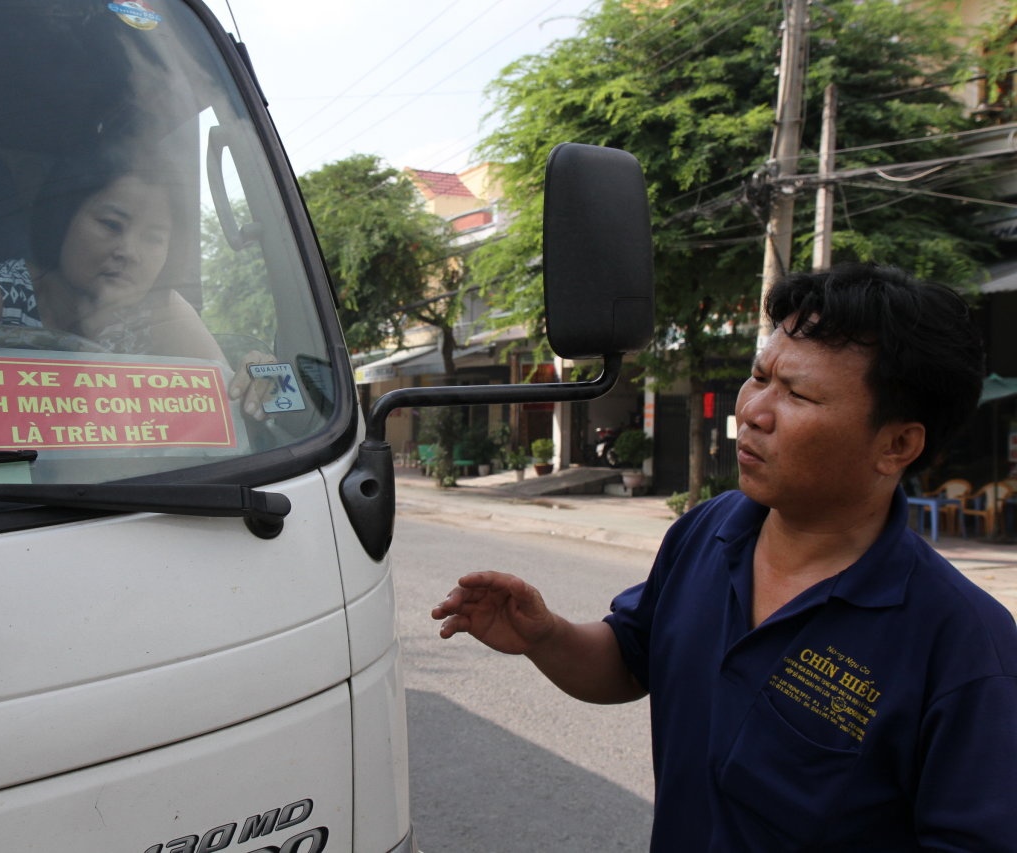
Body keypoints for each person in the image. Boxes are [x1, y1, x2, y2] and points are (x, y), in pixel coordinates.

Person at [432, 263, 1017, 851]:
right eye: (760, 377)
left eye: (798, 395)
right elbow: (631, 659)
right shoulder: (708, 531)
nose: (754, 412)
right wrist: (547, 636)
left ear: (897, 445)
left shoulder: (965, 647)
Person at [0, 151, 269, 429]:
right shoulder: (8, 289)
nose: (128, 251)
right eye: (110, 225)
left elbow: (229, 397)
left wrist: (260, 380)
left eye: (154, 238)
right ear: (62, 221)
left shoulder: (162, 311)